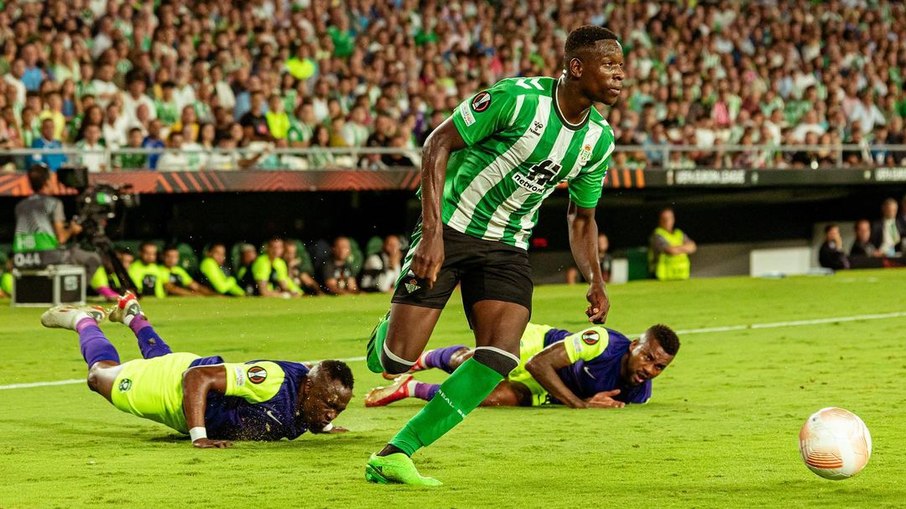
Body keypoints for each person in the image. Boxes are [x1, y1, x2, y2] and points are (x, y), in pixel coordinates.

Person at [363, 25, 621, 486]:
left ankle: (396, 452)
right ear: (576, 67)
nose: (622, 76)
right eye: (611, 65)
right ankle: (386, 332)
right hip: (452, 227)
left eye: (622, 66)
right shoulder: (516, 99)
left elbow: (582, 218)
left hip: (507, 245)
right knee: (395, 362)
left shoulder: (599, 139)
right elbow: (436, 144)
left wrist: (595, 278)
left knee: (499, 357)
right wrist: (433, 234)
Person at [39, 294, 352, 446]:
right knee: (98, 376)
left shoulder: (310, 390)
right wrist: (199, 437)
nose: (331, 414)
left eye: (338, 409)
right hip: (173, 391)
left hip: (183, 371)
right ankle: (82, 320)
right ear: (308, 390)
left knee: (161, 359)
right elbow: (196, 378)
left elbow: (313, 373)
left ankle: (134, 317)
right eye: (329, 406)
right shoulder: (271, 380)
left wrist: (323, 423)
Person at [366, 322, 679, 409]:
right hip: (535, 347)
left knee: (483, 396)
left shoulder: (640, 394)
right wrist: (580, 404)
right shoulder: (602, 341)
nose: (649, 370)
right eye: (648, 357)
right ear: (634, 345)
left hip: (553, 389)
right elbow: (539, 364)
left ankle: (409, 387)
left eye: (659, 367)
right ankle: (425, 359)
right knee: (471, 364)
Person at [13, 164, 116, 299]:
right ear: (47, 182)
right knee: (93, 259)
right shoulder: (53, 203)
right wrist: (73, 229)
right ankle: (72, 296)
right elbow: (61, 238)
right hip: (47, 256)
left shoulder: (20, 205)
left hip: (21, 258)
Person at [648, 207, 697, 281]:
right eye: (664, 218)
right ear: (660, 220)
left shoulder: (679, 234)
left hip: (682, 275)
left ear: (673, 219)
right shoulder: (657, 235)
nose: (667, 221)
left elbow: (693, 247)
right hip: (662, 277)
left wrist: (677, 248)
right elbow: (671, 251)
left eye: (669, 218)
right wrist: (684, 248)